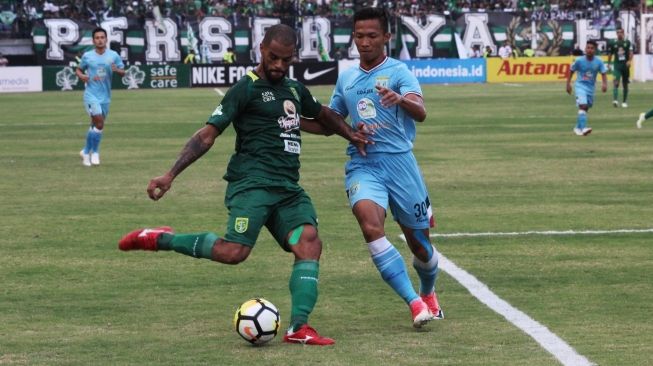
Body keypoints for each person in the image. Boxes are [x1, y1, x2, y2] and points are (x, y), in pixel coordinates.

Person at [118, 24, 370, 346]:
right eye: (273, 57)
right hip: (251, 185)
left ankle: (298, 328)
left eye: (286, 60)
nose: (278, 65)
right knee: (234, 252)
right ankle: (160, 239)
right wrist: (170, 174)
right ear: (261, 49)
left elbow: (320, 116)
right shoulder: (246, 89)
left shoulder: (293, 89)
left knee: (309, 242)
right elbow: (207, 135)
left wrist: (351, 133)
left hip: (287, 189)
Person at [326, 7, 443, 328]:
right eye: (359, 36)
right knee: (369, 226)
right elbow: (331, 118)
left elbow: (420, 112)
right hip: (363, 165)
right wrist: (344, 129)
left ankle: (429, 292)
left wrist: (399, 99)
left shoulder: (399, 72)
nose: (364, 42)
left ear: (386, 37)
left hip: (401, 165)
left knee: (420, 246)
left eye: (372, 36)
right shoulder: (347, 77)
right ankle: (415, 303)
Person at [76, 27, 125, 167]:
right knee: (99, 123)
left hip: (105, 97)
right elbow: (78, 69)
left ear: (106, 39)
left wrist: (118, 70)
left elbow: (123, 72)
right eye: (97, 38)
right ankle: (94, 152)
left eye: (102, 37)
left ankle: (85, 151)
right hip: (91, 95)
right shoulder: (87, 56)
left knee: (95, 125)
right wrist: (82, 76)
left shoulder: (113, 55)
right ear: (93, 40)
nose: (100, 40)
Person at [566, 40, 607, 136]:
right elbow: (571, 71)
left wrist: (604, 84)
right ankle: (584, 128)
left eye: (592, 48)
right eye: (588, 48)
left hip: (590, 88)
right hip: (580, 86)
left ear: (595, 50)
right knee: (583, 105)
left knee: (585, 108)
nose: (589, 50)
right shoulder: (579, 60)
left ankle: (577, 127)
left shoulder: (599, 61)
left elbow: (603, 73)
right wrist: (568, 84)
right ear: (585, 49)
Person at [607, 28, 633, 108]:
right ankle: (615, 100)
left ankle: (624, 102)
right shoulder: (613, 43)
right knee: (616, 82)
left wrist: (629, 60)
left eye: (621, 32)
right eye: (618, 32)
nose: (619, 34)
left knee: (625, 84)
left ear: (623, 33)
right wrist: (608, 63)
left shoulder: (627, 42)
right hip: (617, 65)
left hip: (625, 66)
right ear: (616, 33)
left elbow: (631, 53)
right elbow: (610, 54)